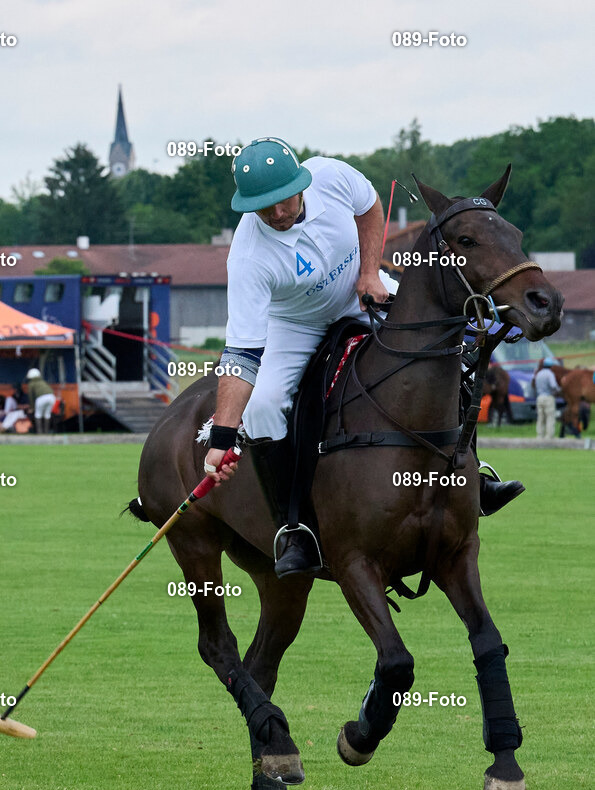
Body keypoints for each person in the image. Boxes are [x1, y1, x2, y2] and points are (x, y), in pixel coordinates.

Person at [204, 137, 523, 579]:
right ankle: (294, 528)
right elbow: (241, 352)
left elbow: (370, 206)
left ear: (301, 182)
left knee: (448, 338)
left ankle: (474, 475)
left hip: (361, 291)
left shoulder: (331, 176)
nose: (277, 214)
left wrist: (370, 271)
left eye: (283, 200)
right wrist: (221, 439)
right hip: (293, 325)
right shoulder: (248, 257)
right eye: (263, 207)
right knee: (262, 406)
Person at [534, 358, 560, 438]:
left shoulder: (539, 374)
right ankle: (549, 436)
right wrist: (559, 389)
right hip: (548, 397)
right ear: (551, 366)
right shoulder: (550, 374)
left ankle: (540, 435)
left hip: (539, 398)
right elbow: (553, 386)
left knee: (540, 418)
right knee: (550, 417)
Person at [25, 368, 56, 434]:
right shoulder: (43, 381)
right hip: (51, 397)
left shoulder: (31, 383)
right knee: (47, 414)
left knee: (38, 415)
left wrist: (32, 407)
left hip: (41, 398)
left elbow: (31, 396)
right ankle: (46, 432)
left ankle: (40, 432)